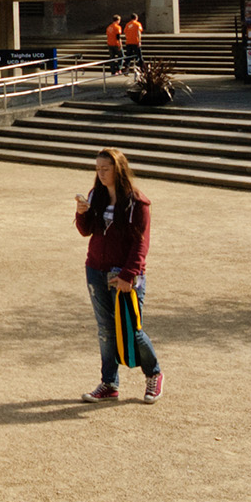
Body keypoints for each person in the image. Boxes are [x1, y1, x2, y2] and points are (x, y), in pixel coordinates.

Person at [75, 147, 163, 404]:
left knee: (131, 329)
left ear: (118, 169)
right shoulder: (96, 195)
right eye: (98, 169)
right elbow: (86, 231)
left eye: (106, 169)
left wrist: (128, 274)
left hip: (123, 274)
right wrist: (81, 214)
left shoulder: (137, 202)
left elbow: (140, 244)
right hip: (95, 269)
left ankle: (154, 374)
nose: (100, 174)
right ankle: (109, 383)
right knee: (105, 329)